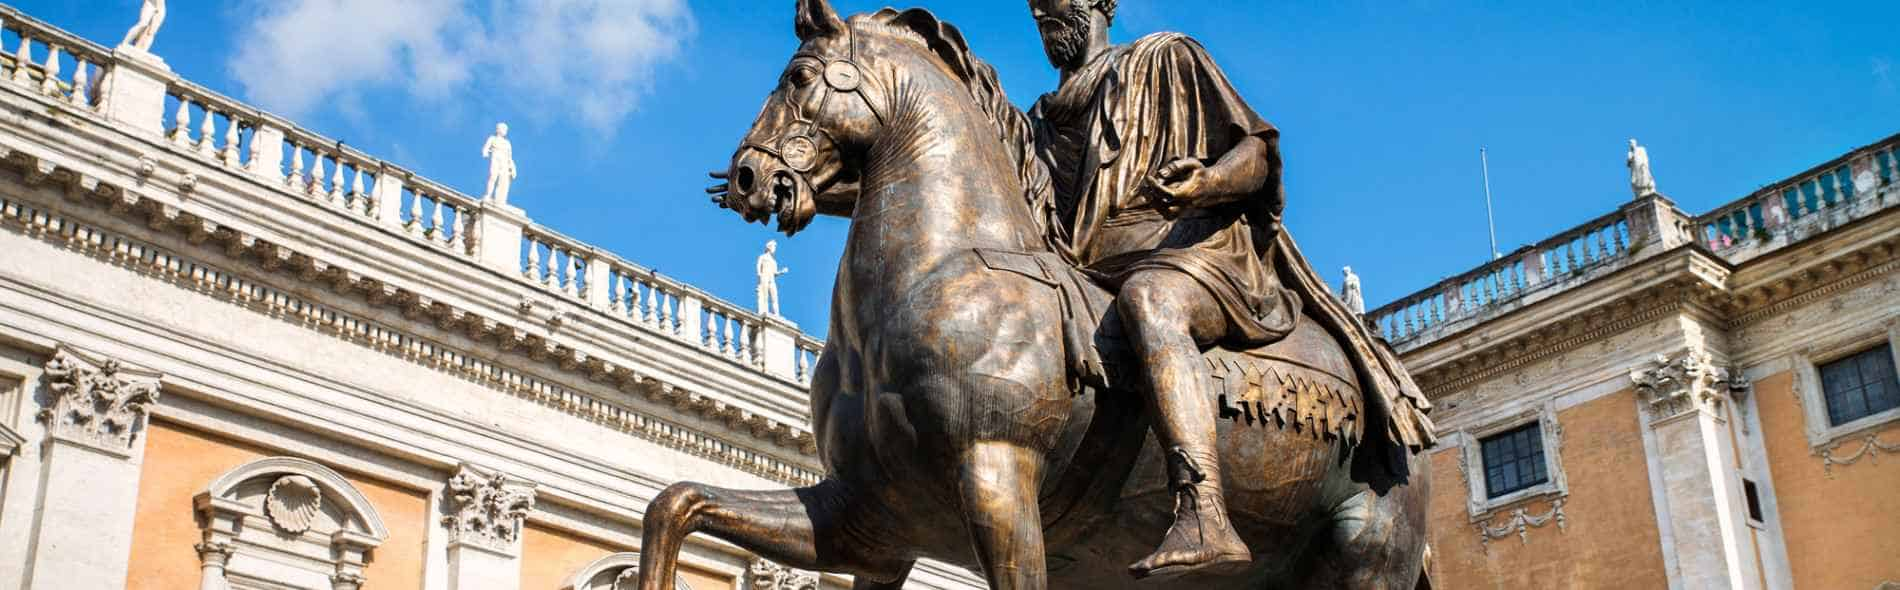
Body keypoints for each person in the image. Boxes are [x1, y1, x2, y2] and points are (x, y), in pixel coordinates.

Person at [1025, 0, 1433, 578]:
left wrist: (1209, 181)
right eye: (1032, 2)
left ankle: (1203, 510)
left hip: (1194, 255)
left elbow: (1256, 154)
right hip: (1087, 271)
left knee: (1152, 301)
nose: (1041, 8)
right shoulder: (1038, 121)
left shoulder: (1166, 57)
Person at [483, 123, 518, 205]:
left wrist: (513, 167)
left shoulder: (507, 143)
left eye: (506, 130)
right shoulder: (492, 138)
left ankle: (499, 199)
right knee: (493, 176)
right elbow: (486, 147)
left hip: (505, 161)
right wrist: (485, 152)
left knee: (503, 180)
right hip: (496, 157)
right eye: (503, 129)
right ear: (498, 130)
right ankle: (488, 195)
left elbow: (510, 157)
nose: (505, 131)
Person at [756, 241, 789, 316]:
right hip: (764, 276)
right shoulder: (762, 256)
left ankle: (776, 314)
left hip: (772, 279)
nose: (774, 249)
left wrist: (781, 271)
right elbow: (758, 265)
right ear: (769, 247)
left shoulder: (774, 261)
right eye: (774, 247)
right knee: (765, 295)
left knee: (774, 297)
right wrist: (759, 274)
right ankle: (764, 311)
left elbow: (775, 273)